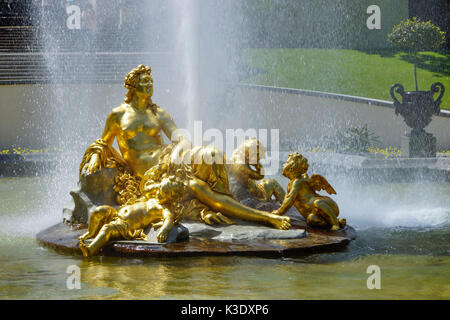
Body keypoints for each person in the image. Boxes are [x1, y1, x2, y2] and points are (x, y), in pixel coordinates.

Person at [78, 176, 185, 257]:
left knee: (108, 229)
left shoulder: (163, 209)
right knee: (99, 211)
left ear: (171, 197)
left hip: (125, 225)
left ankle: (90, 250)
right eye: (160, 189)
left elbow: (169, 219)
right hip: (116, 213)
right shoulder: (153, 198)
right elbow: (145, 189)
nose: (159, 192)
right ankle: (91, 233)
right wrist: (160, 185)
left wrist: (165, 230)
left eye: (163, 192)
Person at [272, 152, 346, 230]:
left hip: (326, 205)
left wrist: (279, 212)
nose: (283, 165)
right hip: (315, 212)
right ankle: (335, 222)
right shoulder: (292, 182)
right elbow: (286, 198)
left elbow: (290, 199)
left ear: (292, 167)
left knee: (317, 202)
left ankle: (335, 223)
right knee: (311, 219)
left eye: (286, 163)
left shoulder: (298, 182)